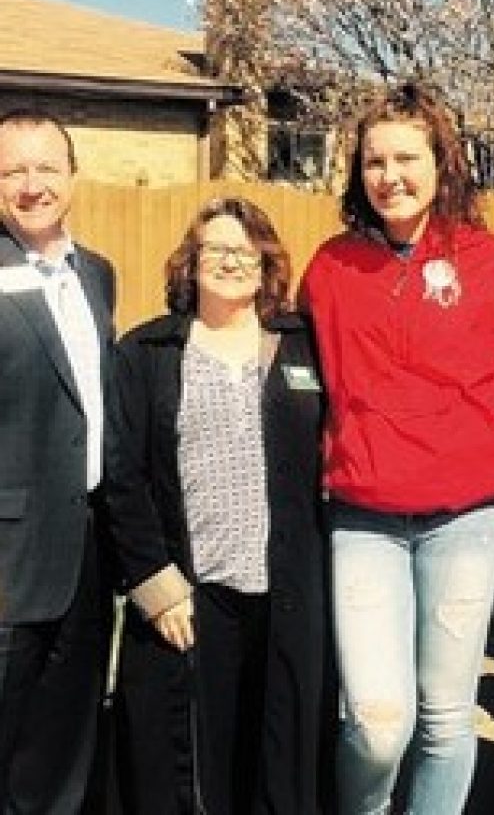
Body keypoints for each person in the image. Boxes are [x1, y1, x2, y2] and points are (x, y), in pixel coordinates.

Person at [301, 83, 494, 815]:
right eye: (374, 161)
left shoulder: (485, 261)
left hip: (463, 521)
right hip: (365, 519)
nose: (389, 175)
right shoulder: (332, 267)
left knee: (444, 716)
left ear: (440, 163)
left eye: (406, 158)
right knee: (374, 721)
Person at [104, 197, 329, 814]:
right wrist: (155, 582)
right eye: (216, 248)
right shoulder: (147, 354)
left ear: (266, 265)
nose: (231, 261)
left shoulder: (304, 347)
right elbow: (122, 472)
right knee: (190, 762)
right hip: (189, 598)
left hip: (285, 597)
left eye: (245, 250)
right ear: (191, 261)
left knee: (277, 755)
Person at [0, 109, 116, 811]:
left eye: (47, 168)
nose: (32, 185)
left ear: (72, 176)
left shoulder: (96, 273)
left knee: (64, 750)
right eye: (14, 170)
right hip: (5, 561)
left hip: (84, 552)